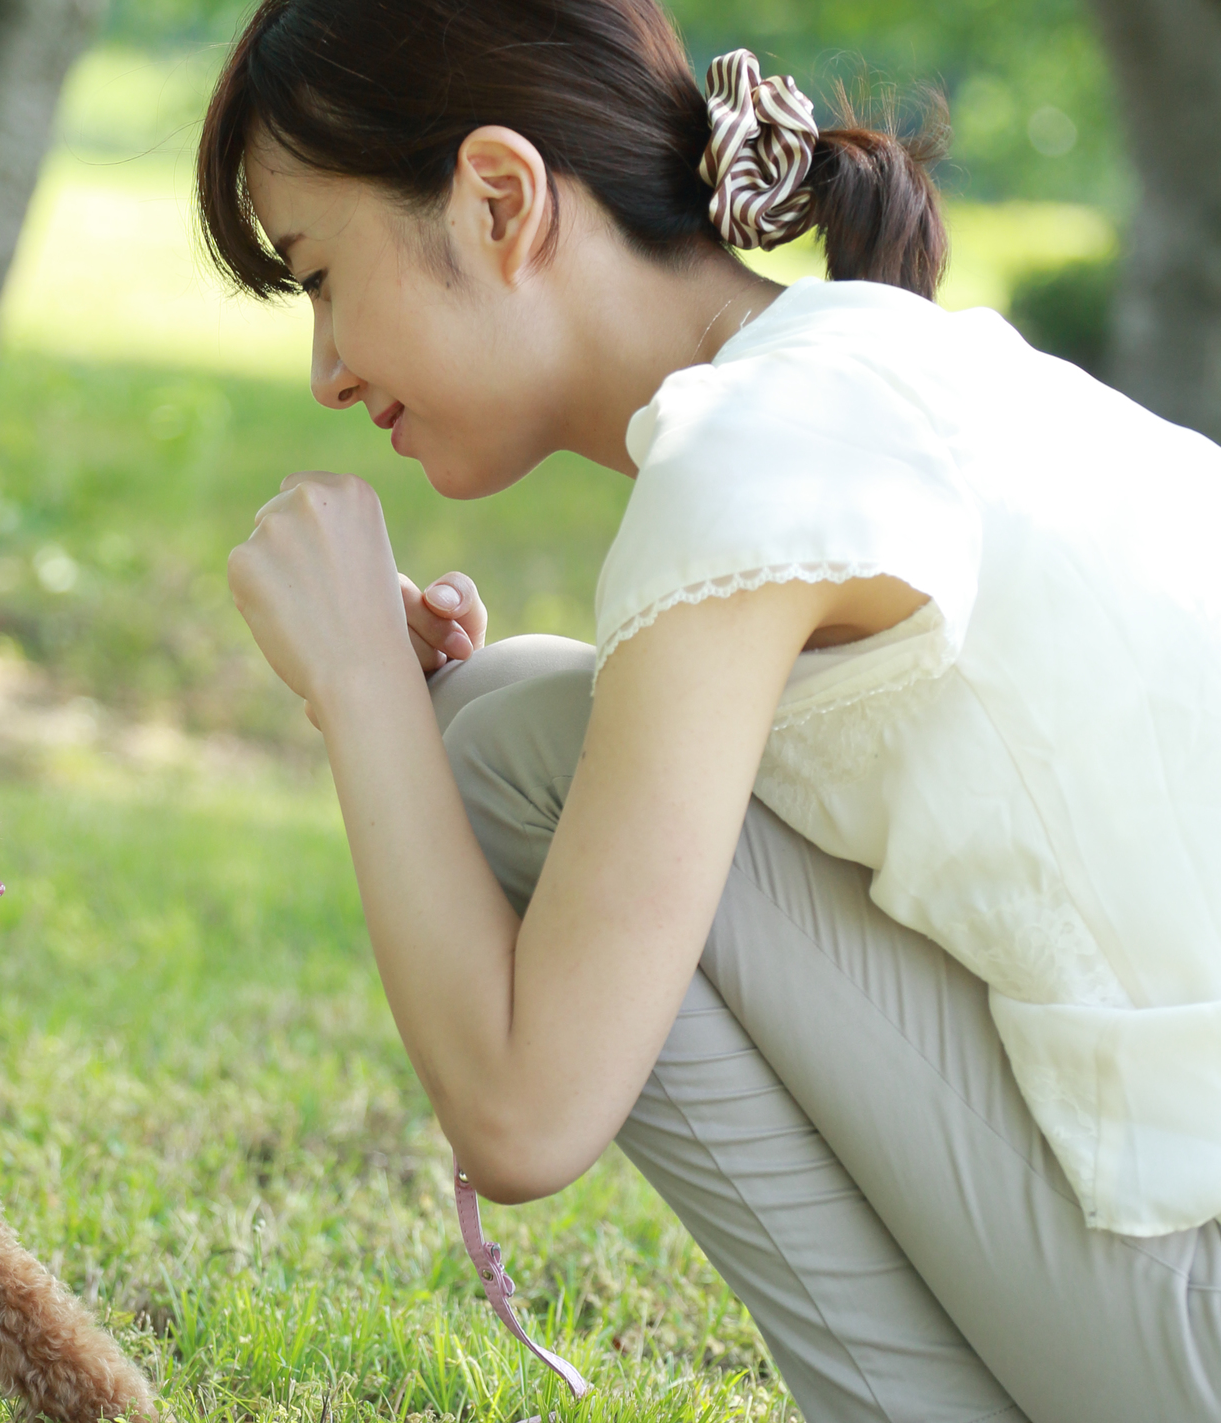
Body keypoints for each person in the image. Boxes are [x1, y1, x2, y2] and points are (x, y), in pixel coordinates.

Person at [197, 2, 1221, 1420]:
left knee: (498, 744)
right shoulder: (894, 367)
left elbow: (525, 1115)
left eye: (319, 275)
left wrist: (365, 692)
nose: (326, 370)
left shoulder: (751, 456)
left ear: (501, 199)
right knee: (525, 732)